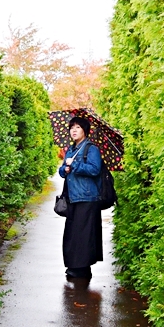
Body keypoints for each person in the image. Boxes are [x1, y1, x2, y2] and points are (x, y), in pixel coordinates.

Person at [58, 116, 103, 279]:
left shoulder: (91, 149)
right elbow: (62, 171)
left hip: (87, 198)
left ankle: (82, 269)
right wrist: (65, 169)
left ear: (85, 130)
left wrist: (74, 165)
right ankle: (73, 265)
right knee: (71, 233)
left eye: (78, 127)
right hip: (72, 197)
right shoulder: (70, 150)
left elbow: (94, 169)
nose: (74, 130)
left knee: (84, 234)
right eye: (72, 127)